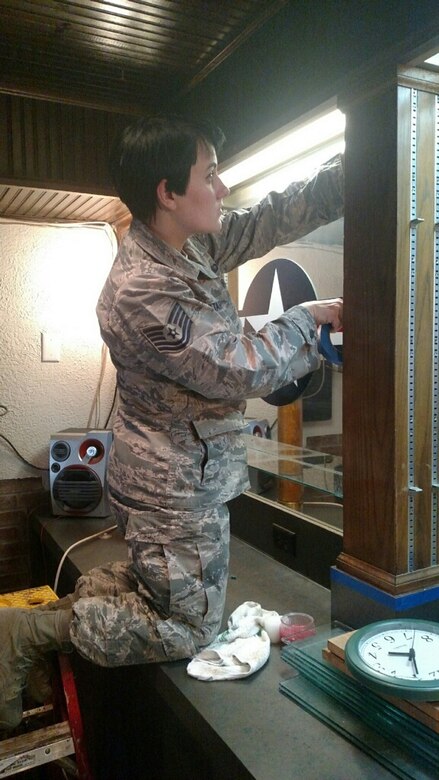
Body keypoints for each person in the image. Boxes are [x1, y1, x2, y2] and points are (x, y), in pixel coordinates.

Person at [0, 114, 343, 731]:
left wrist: (349, 175)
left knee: (157, 586)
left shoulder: (188, 244)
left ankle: (39, 626)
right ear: (168, 193)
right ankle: (28, 634)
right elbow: (236, 368)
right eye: (209, 175)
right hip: (173, 490)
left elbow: (265, 220)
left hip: (178, 479)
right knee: (187, 626)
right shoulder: (144, 288)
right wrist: (307, 318)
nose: (222, 187)